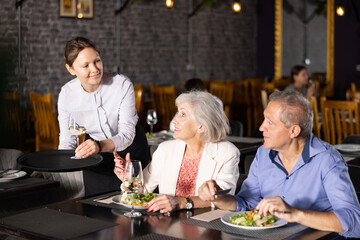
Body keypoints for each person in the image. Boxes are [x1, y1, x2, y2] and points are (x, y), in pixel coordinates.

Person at [198, 90, 360, 238]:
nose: (261, 127)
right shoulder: (263, 154)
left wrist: (294, 213)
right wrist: (218, 198)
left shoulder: (327, 159)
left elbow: (354, 222)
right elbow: (247, 203)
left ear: (294, 131)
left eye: (270, 122)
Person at [114, 91, 239, 213]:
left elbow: (223, 198)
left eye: (183, 114)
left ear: (201, 126)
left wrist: (182, 202)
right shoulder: (165, 149)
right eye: (177, 113)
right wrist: (129, 179)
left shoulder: (227, 152)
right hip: (167, 224)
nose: (174, 120)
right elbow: (144, 189)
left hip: (206, 226)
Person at [58, 36, 149, 196]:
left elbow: (127, 133)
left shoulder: (121, 84)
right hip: (95, 154)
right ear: (70, 69)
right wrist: (62, 164)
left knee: (136, 203)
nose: (95, 69)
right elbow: (67, 140)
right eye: (85, 65)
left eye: (97, 61)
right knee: (97, 208)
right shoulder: (67, 94)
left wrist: (100, 146)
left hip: (131, 151)